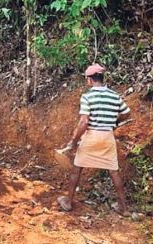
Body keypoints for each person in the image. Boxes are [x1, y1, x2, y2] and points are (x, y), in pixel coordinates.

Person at [57, 64, 131, 216]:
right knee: (114, 171)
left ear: (89, 80)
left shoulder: (87, 97)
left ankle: (68, 201)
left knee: (77, 169)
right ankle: (123, 208)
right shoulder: (114, 96)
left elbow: (84, 122)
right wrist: (114, 122)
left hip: (91, 136)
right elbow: (126, 113)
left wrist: (73, 140)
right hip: (107, 137)